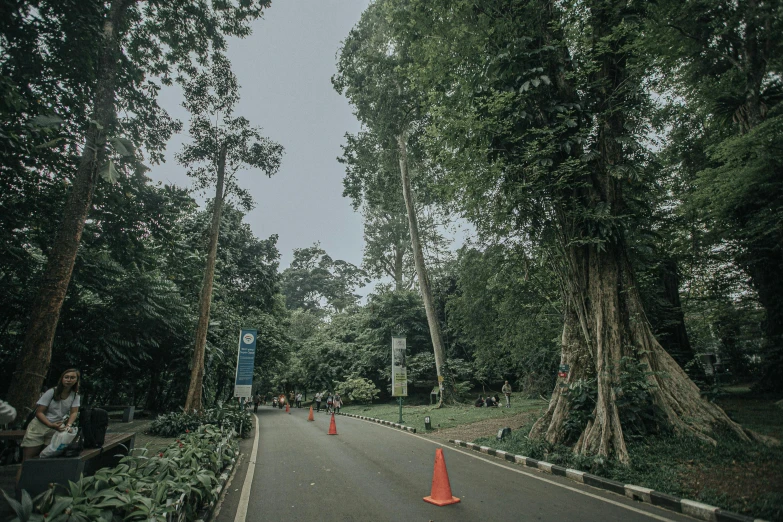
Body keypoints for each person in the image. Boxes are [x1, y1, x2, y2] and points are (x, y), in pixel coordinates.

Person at [17, 369, 81, 484]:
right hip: (39, 426)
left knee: (49, 459)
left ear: (76, 380)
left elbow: (74, 412)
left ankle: (42, 489)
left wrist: (68, 425)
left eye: (72, 378)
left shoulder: (75, 395)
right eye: (66, 377)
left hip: (56, 428)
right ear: (62, 378)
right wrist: (50, 424)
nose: (69, 380)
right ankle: (19, 489)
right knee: (27, 461)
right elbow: (39, 412)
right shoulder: (52, 392)